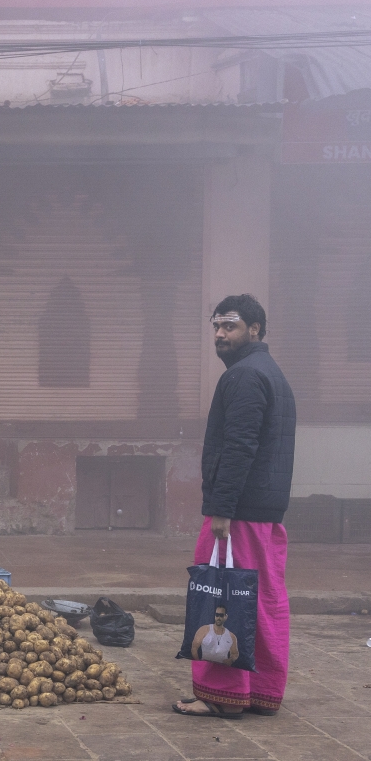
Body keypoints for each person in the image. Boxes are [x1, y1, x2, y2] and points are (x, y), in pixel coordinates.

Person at [173, 294, 294, 720]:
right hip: (263, 513)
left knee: (221, 597)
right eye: (217, 327)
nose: (221, 335)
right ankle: (261, 691)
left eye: (231, 326)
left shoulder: (244, 377)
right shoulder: (270, 373)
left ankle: (221, 694)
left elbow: (240, 447)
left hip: (238, 513)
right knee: (261, 599)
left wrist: (221, 508)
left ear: (255, 330)